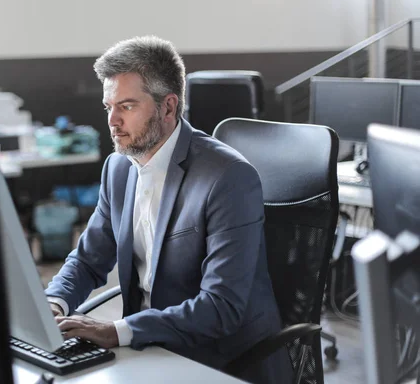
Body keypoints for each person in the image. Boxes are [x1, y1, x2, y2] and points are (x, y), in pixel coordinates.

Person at [44, 36, 292, 383]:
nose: (113, 121)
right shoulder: (118, 167)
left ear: (168, 107)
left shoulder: (227, 178)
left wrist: (117, 330)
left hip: (222, 358)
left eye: (127, 106)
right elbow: (88, 260)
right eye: (108, 107)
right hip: (147, 349)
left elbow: (221, 308)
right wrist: (52, 305)